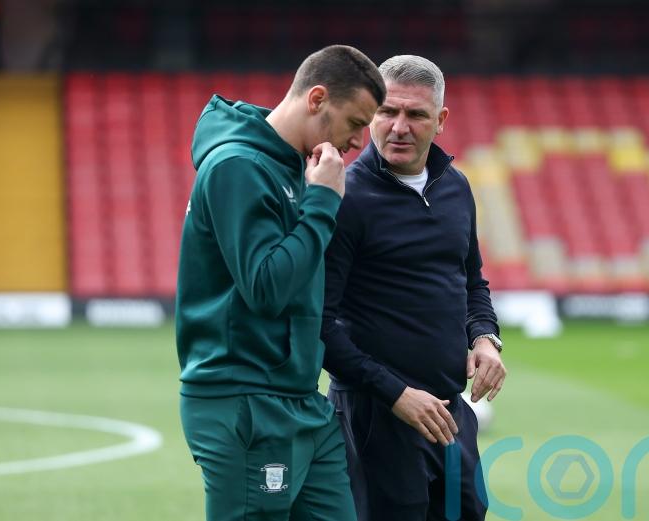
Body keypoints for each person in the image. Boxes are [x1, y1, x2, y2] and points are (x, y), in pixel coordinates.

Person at [176, 45, 385, 521]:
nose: (358, 141)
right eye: (355, 122)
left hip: (300, 399)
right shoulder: (237, 166)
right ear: (316, 98)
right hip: (243, 399)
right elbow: (266, 289)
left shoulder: (298, 166)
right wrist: (324, 202)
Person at [321, 55, 506, 521]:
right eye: (388, 112)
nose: (399, 127)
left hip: (448, 414)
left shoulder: (456, 187)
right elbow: (317, 324)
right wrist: (395, 393)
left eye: (416, 115)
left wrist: (484, 337)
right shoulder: (344, 196)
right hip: (374, 416)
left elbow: (471, 281)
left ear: (440, 121)